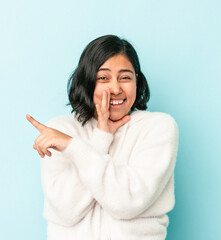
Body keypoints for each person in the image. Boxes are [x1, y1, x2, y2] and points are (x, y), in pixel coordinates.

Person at [26, 34, 179, 240]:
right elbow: (67, 210)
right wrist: (102, 136)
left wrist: (73, 146)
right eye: (103, 78)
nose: (115, 89)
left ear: (137, 81)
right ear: (87, 82)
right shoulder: (60, 129)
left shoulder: (157, 128)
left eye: (125, 77)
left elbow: (127, 202)